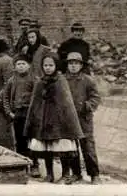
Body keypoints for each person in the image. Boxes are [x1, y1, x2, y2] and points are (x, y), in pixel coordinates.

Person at [23, 53, 85, 183]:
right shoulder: (40, 82)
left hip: (59, 123)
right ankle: (49, 174)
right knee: (46, 149)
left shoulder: (61, 81)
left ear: (56, 66)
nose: (48, 68)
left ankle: (65, 174)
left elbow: (66, 104)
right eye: (45, 65)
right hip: (44, 122)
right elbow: (35, 102)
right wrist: (35, 119)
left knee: (62, 149)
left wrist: (64, 121)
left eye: (51, 65)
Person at [64, 52, 102, 184]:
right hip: (69, 119)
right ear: (67, 65)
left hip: (84, 119)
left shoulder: (87, 80)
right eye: (70, 63)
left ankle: (94, 175)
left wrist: (86, 106)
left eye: (76, 63)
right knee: (72, 148)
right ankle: (76, 173)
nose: (73, 66)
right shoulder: (63, 80)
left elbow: (96, 98)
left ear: (81, 65)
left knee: (88, 147)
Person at [1, 54, 40, 177]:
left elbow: (38, 98)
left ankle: (34, 166)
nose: (21, 66)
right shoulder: (12, 81)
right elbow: (5, 97)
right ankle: (22, 165)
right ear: (14, 66)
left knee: (32, 141)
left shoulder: (35, 80)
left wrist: (34, 114)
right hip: (17, 114)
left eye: (23, 64)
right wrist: (9, 112)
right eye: (18, 64)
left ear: (28, 65)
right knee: (19, 140)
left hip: (31, 115)